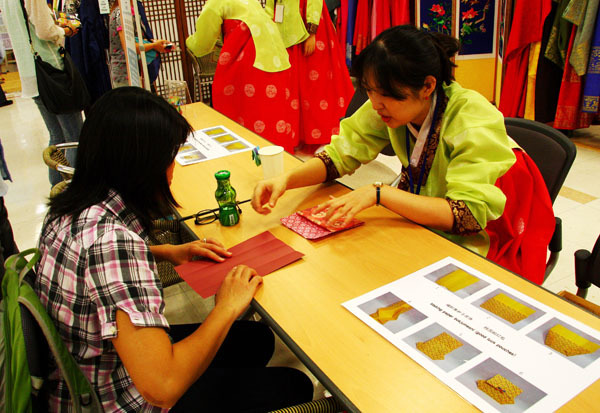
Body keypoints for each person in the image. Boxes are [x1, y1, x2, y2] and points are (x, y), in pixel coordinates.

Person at [34, 87, 314, 412]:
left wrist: (167, 251)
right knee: (295, 384)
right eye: (169, 159)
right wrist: (225, 306)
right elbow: (163, 388)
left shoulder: (70, 205)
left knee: (257, 340)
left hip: (90, 370)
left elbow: (90, 269)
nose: (173, 171)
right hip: (124, 400)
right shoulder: (111, 243)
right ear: (140, 166)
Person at [251, 25, 555, 285]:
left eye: (386, 94)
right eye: (369, 90)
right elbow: (339, 155)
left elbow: (468, 214)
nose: (375, 103)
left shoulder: (472, 117)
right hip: (434, 213)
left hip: (489, 229)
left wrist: (379, 194)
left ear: (427, 86)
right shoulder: (392, 106)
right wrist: (286, 179)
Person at [186, 0, 296, 151]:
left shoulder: (215, 3)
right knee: (271, 112)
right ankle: (278, 155)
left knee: (240, 108)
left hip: (250, 58)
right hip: (276, 57)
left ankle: (247, 156)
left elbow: (202, 44)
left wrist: (189, 42)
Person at [0, 0, 83, 186]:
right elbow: (45, 32)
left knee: (56, 137)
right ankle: (75, 193)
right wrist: (65, 31)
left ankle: (58, 192)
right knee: (75, 137)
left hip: (31, 73)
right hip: (50, 71)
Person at [265, 0, 355, 153]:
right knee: (292, 83)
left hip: (308, 22)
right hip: (284, 26)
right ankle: (298, 134)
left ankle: (323, 134)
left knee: (317, 84)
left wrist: (312, 30)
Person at [109, 0, 172, 88]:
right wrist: (154, 45)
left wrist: (156, 43)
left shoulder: (129, 10)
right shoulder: (122, 13)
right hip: (124, 73)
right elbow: (130, 47)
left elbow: (137, 40)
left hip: (133, 70)